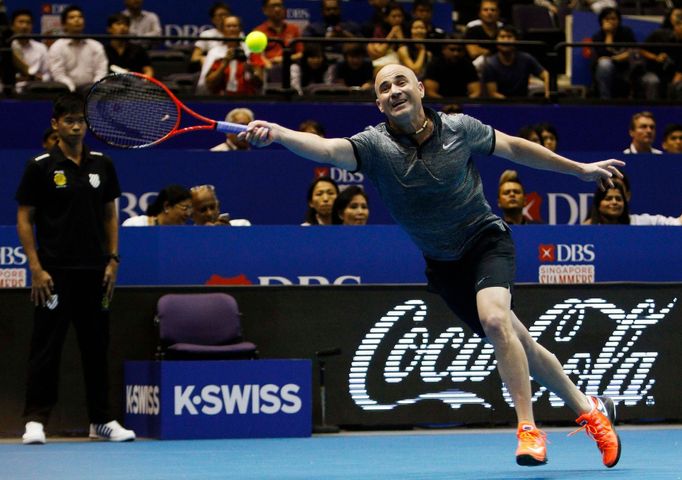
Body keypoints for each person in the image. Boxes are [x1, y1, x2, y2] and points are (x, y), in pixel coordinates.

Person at [241, 63, 624, 468]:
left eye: (401, 81)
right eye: (384, 87)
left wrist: (578, 169)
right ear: (379, 104)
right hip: (444, 264)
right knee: (520, 343)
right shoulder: (373, 146)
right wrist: (281, 134)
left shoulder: (459, 128)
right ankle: (589, 410)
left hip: (485, 241)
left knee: (496, 322)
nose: (394, 90)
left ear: (421, 89)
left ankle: (528, 430)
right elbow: (326, 149)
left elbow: (514, 147)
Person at [15, 93, 135, 444]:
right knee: (46, 347)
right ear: (56, 125)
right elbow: (25, 218)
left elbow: (110, 214)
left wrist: (113, 260)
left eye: (81, 120)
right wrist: (36, 267)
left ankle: (101, 421)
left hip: (95, 272)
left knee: (96, 348)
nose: (76, 125)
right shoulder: (40, 166)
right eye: (69, 120)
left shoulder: (102, 164)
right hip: (54, 273)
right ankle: (36, 420)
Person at [583, 169, 682, 225]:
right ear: (598, 202)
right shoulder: (587, 229)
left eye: (618, 199)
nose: (614, 202)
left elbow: (677, 223)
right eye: (608, 198)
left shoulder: (640, 222)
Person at [47, 5, 108, 93]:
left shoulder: (96, 45)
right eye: (72, 17)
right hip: (66, 93)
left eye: (80, 17)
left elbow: (101, 71)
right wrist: (72, 90)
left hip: (93, 94)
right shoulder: (57, 47)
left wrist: (93, 89)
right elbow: (58, 74)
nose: (77, 20)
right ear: (64, 24)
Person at [482, 26, 550, 99]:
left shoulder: (526, 59)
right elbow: (493, 93)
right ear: (496, 40)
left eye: (509, 37)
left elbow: (546, 75)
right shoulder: (490, 64)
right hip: (501, 105)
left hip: (524, 103)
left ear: (516, 40)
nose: (506, 40)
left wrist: (547, 94)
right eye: (502, 37)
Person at [205, 15, 264, 96]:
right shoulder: (216, 53)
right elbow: (209, 85)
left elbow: (260, 83)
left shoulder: (251, 51)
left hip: (248, 98)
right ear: (222, 30)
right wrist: (224, 64)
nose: (232, 29)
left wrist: (249, 69)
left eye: (235, 26)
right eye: (228, 26)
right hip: (222, 98)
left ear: (240, 29)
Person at [590, 7, 636, 99]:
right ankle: (605, 99)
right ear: (602, 21)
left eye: (614, 19)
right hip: (606, 71)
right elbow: (604, 55)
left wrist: (613, 58)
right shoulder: (597, 37)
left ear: (619, 20)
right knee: (604, 65)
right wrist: (609, 34)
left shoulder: (626, 32)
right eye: (607, 19)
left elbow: (633, 51)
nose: (611, 21)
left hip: (625, 67)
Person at [638, 7, 682, 100]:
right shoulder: (659, 34)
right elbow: (640, 50)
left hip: (673, 74)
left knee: (678, 86)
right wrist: (655, 57)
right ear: (676, 26)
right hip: (652, 71)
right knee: (653, 82)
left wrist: (678, 77)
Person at [423, 33, 481, 98]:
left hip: (463, 103)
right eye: (452, 50)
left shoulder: (468, 65)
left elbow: (476, 92)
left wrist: (462, 104)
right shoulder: (434, 65)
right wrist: (445, 103)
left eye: (459, 50)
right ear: (444, 50)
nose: (456, 53)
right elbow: (430, 92)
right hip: (439, 104)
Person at [10, 9, 50, 93]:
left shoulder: (41, 48)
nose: (24, 26)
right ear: (12, 26)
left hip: (34, 91)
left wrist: (41, 78)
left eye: (28, 23)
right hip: (9, 92)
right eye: (20, 22)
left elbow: (48, 74)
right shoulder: (6, 48)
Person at [254, 0, 304, 68]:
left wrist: (284, 59)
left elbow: (301, 53)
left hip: (290, 66)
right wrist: (267, 64)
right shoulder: (258, 32)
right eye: (273, 6)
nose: (277, 9)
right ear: (265, 10)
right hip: (268, 68)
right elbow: (256, 56)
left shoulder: (293, 29)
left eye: (279, 6)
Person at [122, 184, 193, 226]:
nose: (188, 214)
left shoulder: (182, 237)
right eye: (185, 207)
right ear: (167, 206)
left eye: (190, 209)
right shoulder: (135, 224)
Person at [367, 2, 406, 73]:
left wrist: (400, 37)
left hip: (401, 62)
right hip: (383, 61)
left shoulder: (406, 29)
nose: (397, 19)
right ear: (386, 18)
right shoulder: (380, 29)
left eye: (400, 16)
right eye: (394, 16)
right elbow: (380, 51)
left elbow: (405, 53)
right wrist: (391, 34)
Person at [464, 0, 502, 72]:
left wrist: (483, 51)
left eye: (493, 10)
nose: (489, 12)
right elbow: (473, 53)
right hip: (476, 69)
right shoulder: (472, 29)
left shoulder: (503, 30)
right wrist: (495, 51)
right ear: (480, 13)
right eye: (485, 10)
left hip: (500, 69)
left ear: (498, 13)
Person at [191, 2, 232, 68]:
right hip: (213, 69)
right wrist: (204, 59)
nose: (224, 17)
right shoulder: (206, 35)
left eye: (226, 15)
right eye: (220, 15)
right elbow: (194, 57)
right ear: (213, 20)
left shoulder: (237, 33)